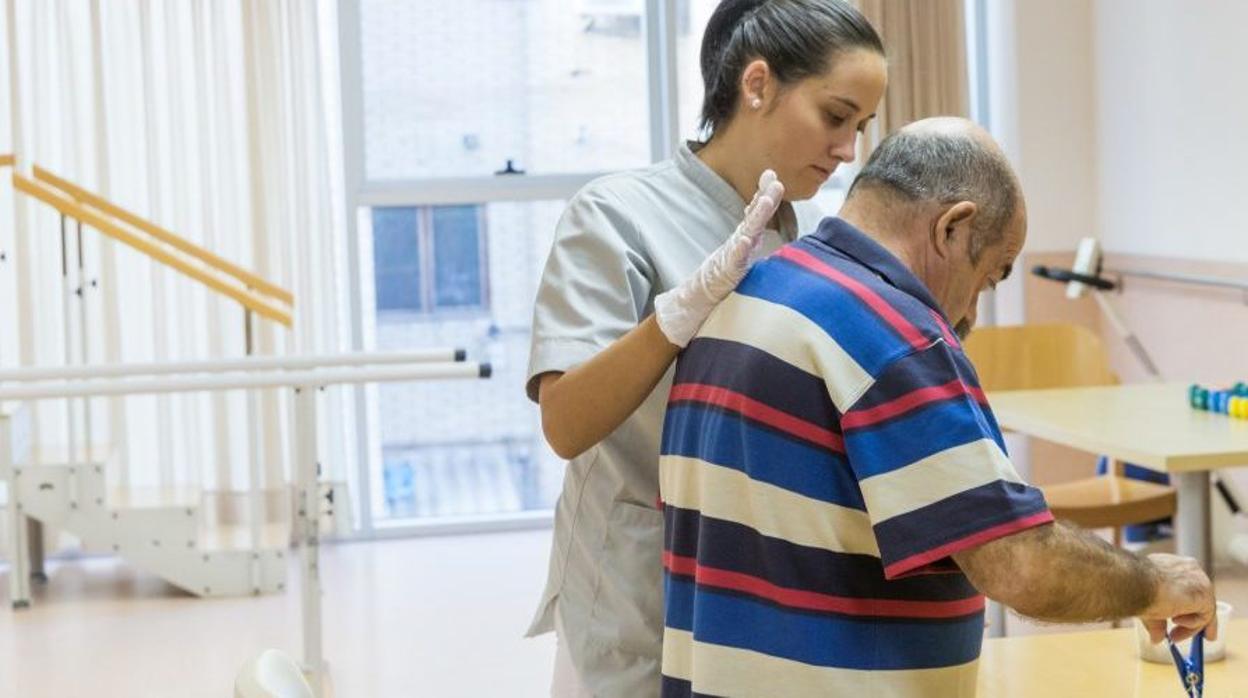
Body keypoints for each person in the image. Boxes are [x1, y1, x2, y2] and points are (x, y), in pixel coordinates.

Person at [658, 117, 1217, 697]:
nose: (971, 313)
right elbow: (1018, 563)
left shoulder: (747, 295)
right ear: (954, 228)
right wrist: (1153, 580)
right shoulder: (892, 334)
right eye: (990, 275)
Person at [525, 1, 888, 695]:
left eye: (862, 128)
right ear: (757, 86)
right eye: (836, 116)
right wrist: (679, 313)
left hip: (766, 585)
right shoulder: (616, 215)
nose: (849, 150)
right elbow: (565, 423)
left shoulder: (812, 234)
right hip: (639, 587)